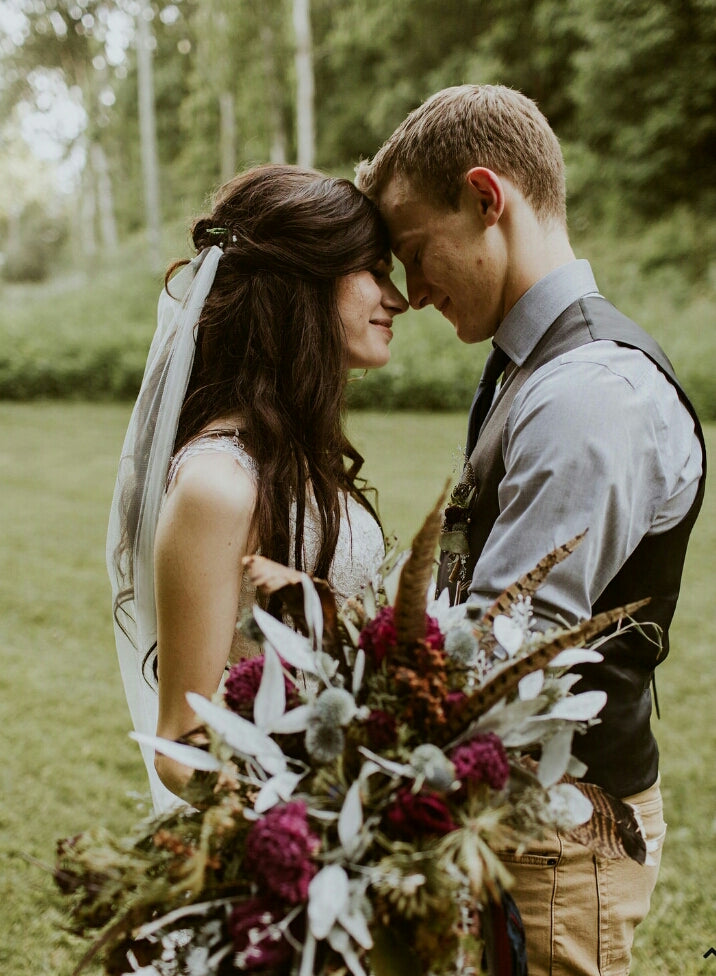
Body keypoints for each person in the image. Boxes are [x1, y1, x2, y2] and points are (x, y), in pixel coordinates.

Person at [356, 85, 706, 976]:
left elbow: (509, 657)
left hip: (558, 838)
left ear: (486, 199)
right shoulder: (536, 369)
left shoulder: (588, 396)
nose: (410, 290)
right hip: (522, 822)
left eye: (413, 250)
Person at [107, 164, 407, 813]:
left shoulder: (292, 451)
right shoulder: (219, 483)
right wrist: (314, 820)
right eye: (376, 271)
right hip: (283, 842)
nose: (398, 298)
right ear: (308, 282)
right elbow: (181, 742)